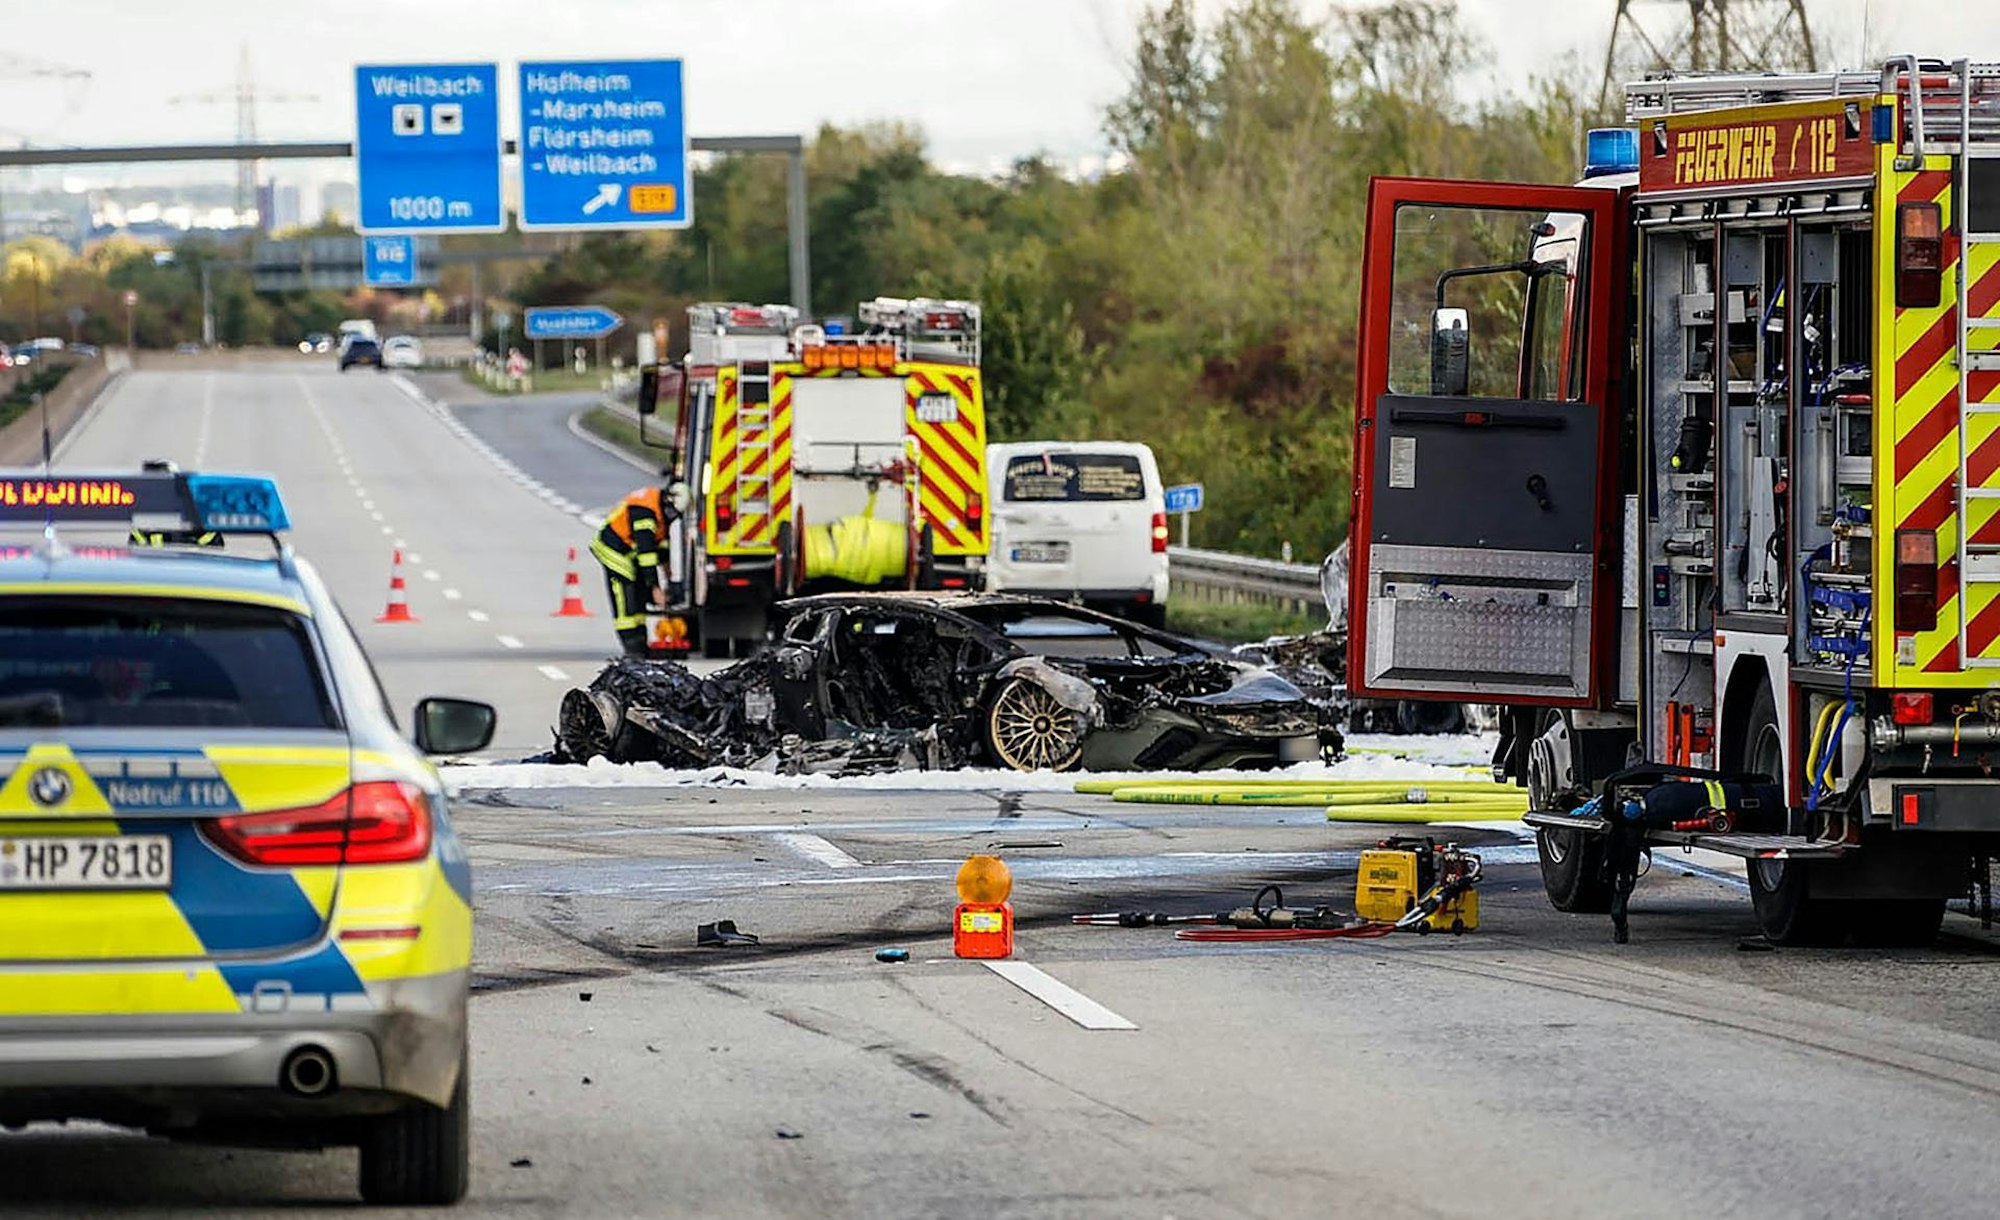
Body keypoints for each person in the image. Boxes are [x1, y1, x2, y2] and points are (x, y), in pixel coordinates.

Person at [591, 478, 686, 656]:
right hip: (613, 549)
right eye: (672, 512)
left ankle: (641, 642)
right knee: (626, 592)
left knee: (641, 591)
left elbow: (661, 546)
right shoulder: (644, 511)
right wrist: (655, 587)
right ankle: (631, 645)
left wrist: (669, 576)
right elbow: (646, 553)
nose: (672, 517)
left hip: (630, 551)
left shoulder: (662, 510)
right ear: (668, 500)